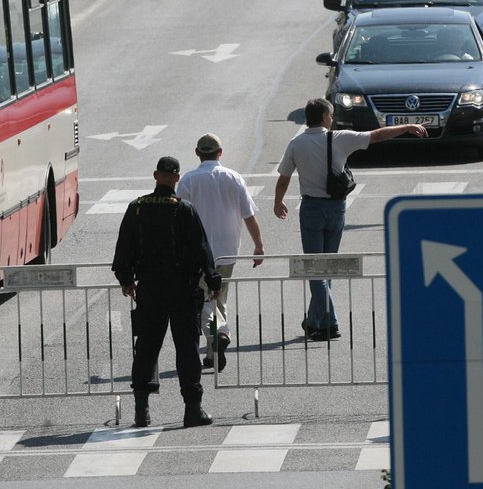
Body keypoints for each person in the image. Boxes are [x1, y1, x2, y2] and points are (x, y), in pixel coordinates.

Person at [273, 99, 427, 341]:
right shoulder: (339, 138)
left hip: (311, 208)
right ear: (325, 117)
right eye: (331, 115)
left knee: (316, 268)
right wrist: (406, 127)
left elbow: (283, 178)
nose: (332, 119)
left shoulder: (296, 143)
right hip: (336, 208)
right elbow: (376, 135)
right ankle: (316, 320)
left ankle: (328, 322)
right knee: (326, 268)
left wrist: (278, 201)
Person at [113, 156, 223, 429]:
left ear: (155, 175)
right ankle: (192, 410)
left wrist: (127, 280)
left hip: (149, 288)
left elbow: (123, 250)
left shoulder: (137, 208)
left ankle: (142, 411)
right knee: (186, 349)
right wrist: (213, 281)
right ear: (176, 178)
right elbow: (202, 249)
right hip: (182, 290)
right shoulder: (183, 209)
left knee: (147, 348)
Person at [176, 133, 264, 372]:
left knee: (204, 299)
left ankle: (220, 334)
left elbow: (179, 220)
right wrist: (258, 246)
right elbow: (249, 215)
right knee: (219, 297)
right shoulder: (234, 178)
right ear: (220, 153)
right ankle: (213, 352)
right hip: (227, 251)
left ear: (197, 153)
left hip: (197, 253)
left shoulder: (188, 181)